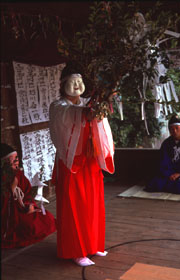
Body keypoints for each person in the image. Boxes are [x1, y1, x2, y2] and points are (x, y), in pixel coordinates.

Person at [49, 63, 115, 266]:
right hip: (71, 163)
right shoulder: (58, 107)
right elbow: (71, 116)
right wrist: (87, 113)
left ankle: (93, 244)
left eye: (80, 81)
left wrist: (100, 107)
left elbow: (98, 122)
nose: (77, 85)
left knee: (93, 204)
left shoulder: (88, 104)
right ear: (63, 85)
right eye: (72, 81)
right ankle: (76, 250)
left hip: (90, 160)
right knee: (74, 206)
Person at [1, 143, 56, 249]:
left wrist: (29, 205)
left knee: (47, 219)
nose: (16, 163)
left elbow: (27, 193)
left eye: (16, 159)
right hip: (9, 218)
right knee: (31, 227)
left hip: (22, 211)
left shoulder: (18, 174)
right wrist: (11, 189)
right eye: (12, 161)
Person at [145, 115, 180, 194]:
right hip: (170, 173)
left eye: (177, 128)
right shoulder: (167, 143)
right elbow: (163, 160)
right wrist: (169, 174)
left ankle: (172, 186)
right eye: (171, 129)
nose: (174, 131)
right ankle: (171, 185)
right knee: (153, 184)